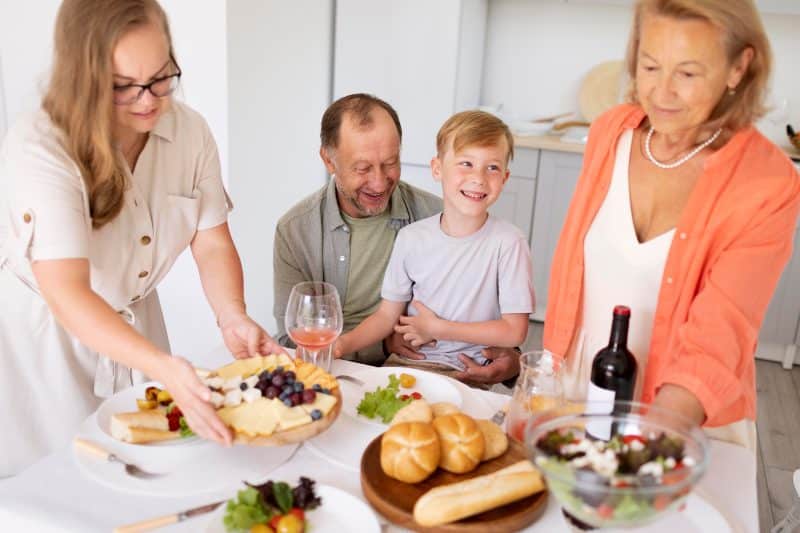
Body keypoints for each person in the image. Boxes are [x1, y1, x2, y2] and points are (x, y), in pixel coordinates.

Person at [0, 0, 280, 477]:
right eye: (123, 87)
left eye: (160, 78)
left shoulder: (188, 132)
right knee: (61, 487)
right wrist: (165, 366)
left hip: (137, 330)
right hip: (49, 344)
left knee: (147, 473)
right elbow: (68, 292)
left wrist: (231, 315)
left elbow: (210, 241)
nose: (149, 100)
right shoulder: (40, 146)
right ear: (82, 79)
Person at [543, 0, 800, 450]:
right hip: (580, 396)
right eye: (650, 66)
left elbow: (721, 333)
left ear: (738, 68)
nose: (662, 93)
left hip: (683, 424)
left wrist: (648, 448)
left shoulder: (769, 183)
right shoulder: (609, 133)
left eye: (687, 73)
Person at [273, 94, 523, 386]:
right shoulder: (296, 230)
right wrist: (381, 345)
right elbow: (291, 339)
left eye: (390, 163)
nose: (379, 183)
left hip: (419, 370)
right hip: (336, 369)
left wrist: (511, 360)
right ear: (329, 160)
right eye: (363, 168)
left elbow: (487, 309)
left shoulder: (440, 215)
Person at [336, 111, 534, 380]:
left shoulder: (509, 243)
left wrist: (438, 329)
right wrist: (342, 345)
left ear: (505, 178)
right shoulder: (411, 238)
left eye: (493, 167)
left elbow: (514, 331)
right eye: (466, 163)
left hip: (465, 373)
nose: (479, 177)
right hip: (404, 363)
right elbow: (385, 316)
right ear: (437, 168)